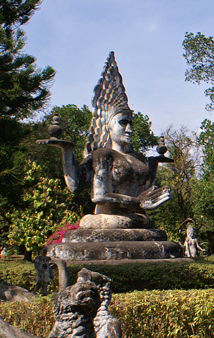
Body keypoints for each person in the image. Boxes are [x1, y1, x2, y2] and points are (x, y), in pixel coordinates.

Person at [39, 52, 170, 223]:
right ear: (109, 125)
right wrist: (67, 151)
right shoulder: (103, 155)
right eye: (123, 123)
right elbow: (97, 195)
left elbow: (146, 191)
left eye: (131, 124)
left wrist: (153, 167)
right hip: (109, 219)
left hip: (136, 217)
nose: (129, 129)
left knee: (144, 224)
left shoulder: (138, 158)